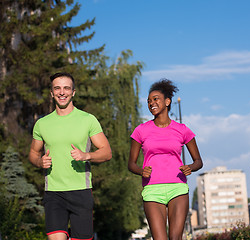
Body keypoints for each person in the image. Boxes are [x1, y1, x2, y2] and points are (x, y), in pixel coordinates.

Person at [29, 72, 112, 240]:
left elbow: (106, 152)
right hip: (53, 193)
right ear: (51, 93)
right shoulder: (42, 123)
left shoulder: (88, 120)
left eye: (66, 88)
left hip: (81, 192)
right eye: (57, 88)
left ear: (73, 92)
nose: (62, 92)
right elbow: (33, 153)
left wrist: (86, 155)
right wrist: (39, 161)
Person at [128, 79, 203, 240]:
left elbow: (198, 161)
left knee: (176, 238)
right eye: (149, 101)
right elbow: (131, 164)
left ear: (167, 101)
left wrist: (190, 167)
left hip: (178, 188)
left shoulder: (182, 130)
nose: (151, 103)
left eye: (156, 99)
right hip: (152, 190)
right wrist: (141, 171)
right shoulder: (141, 131)